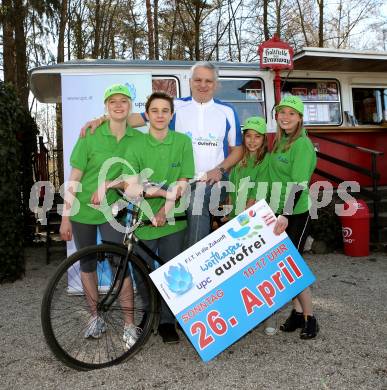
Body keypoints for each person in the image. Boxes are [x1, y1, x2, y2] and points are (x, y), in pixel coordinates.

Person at [81, 61, 243, 249]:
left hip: (213, 180)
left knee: (196, 201)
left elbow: (238, 150)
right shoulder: (175, 106)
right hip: (181, 180)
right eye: (198, 80)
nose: (203, 85)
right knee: (138, 188)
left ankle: (194, 260)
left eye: (208, 81)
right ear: (190, 82)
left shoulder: (227, 111)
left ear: (216, 84)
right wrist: (101, 120)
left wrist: (219, 169)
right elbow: (136, 119)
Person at [59, 84, 143, 348]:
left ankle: (129, 324)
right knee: (87, 265)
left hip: (113, 210)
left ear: (129, 106)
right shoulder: (90, 135)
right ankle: (95, 318)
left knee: (119, 265)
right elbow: (74, 178)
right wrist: (65, 216)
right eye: (113, 102)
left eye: (123, 101)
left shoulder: (138, 139)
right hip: (83, 209)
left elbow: (135, 178)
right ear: (106, 107)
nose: (118, 105)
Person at [121, 92, 195, 344]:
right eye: (155, 110)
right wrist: (152, 212)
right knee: (142, 272)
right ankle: (149, 314)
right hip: (143, 220)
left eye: (165, 110)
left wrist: (164, 209)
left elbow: (183, 181)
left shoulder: (182, 142)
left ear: (171, 115)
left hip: (174, 220)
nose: (160, 115)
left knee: (170, 273)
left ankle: (166, 321)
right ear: (148, 115)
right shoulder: (135, 145)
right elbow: (131, 186)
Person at [270, 95, 319, 339]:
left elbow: (299, 184)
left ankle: (310, 318)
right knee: (287, 265)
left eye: (291, 113)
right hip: (281, 212)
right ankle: (298, 313)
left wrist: (285, 214)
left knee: (292, 266)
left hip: (296, 213)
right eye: (282, 112)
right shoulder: (282, 142)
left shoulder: (302, 144)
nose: (285, 117)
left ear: (300, 117)